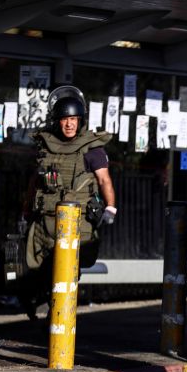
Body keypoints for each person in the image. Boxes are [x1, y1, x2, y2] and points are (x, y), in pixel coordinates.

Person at [21, 86, 116, 319]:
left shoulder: (92, 149)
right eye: (65, 119)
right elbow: (35, 181)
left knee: (67, 271)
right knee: (35, 266)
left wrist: (111, 207)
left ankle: (60, 316)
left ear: (80, 120)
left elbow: (104, 180)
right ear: (57, 121)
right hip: (45, 221)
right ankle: (42, 303)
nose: (69, 124)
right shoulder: (46, 146)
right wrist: (24, 213)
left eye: (74, 119)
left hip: (76, 222)